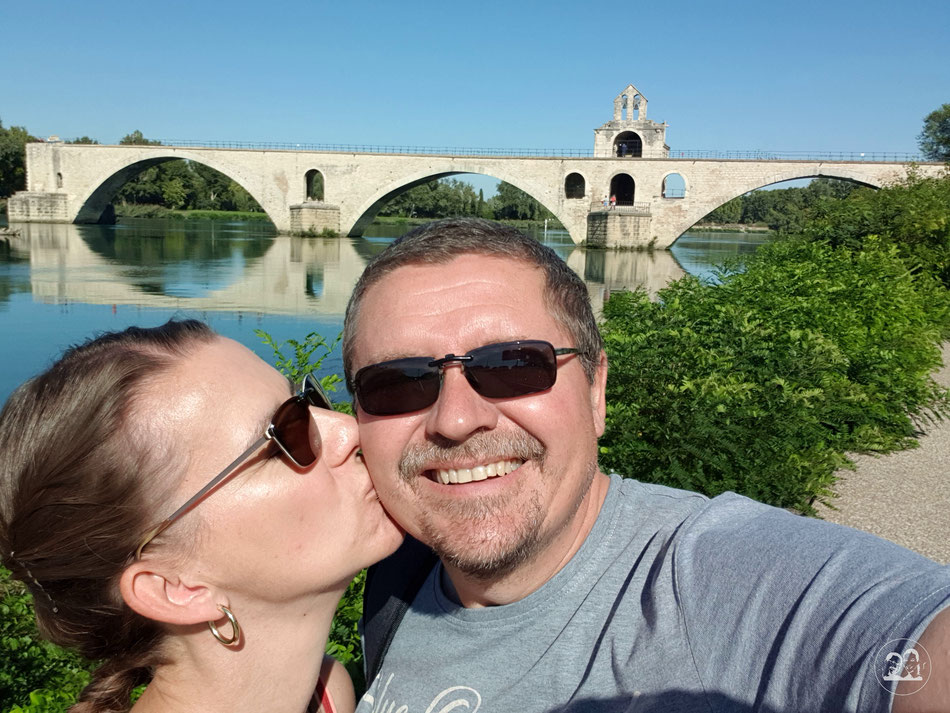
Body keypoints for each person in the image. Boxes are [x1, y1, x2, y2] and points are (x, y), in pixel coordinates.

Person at [341, 218, 950, 712]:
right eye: (398, 383)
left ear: (596, 391)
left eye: (511, 365)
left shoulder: (710, 576)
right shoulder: (397, 571)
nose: (455, 419)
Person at [0, 320, 403, 713]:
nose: (348, 428)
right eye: (285, 438)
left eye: (306, 402)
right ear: (174, 588)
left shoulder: (328, 693)